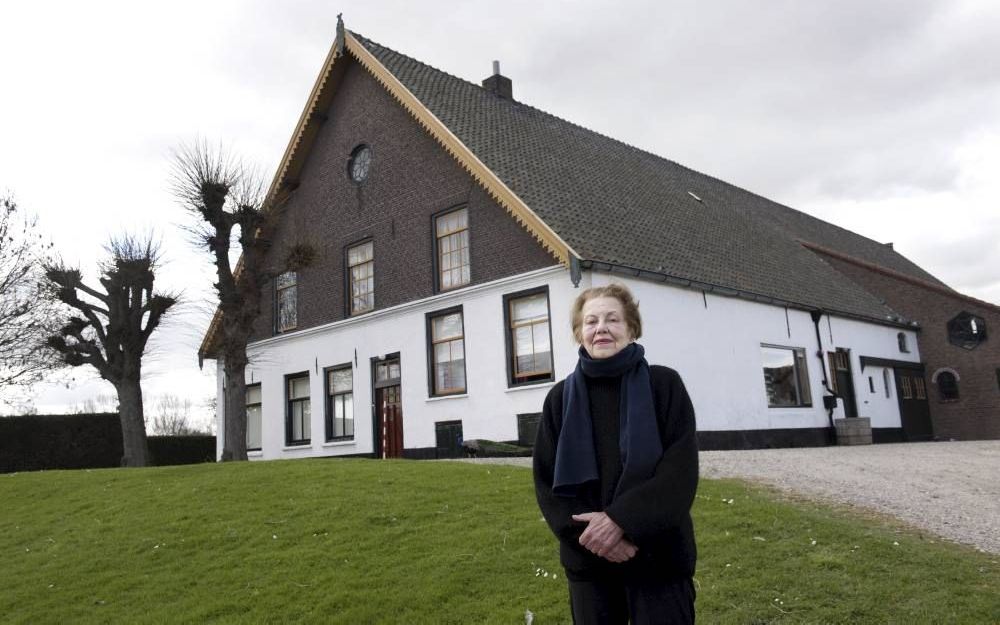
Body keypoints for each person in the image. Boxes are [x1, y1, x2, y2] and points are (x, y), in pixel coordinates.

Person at [533, 283, 698, 624]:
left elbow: (679, 473)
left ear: (631, 328)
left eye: (613, 319)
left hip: (657, 560)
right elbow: (548, 485)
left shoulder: (664, 385)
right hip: (589, 565)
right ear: (580, 333)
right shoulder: (559, 399)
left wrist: (621, 522)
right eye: (591, 322)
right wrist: (599, 540)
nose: (601, 328)